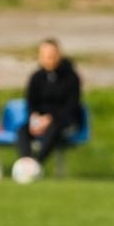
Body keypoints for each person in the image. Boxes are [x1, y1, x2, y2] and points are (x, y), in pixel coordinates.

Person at [18, 38, 83, 170]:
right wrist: (34, 119)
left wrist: (50, 119)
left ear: (58, 54)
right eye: (46, 56)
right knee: (22, 130)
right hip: (40, 120)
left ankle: (36, 165)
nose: (49, 59)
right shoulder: (36, 77)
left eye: (52, 55)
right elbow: (31, 103)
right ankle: (26, 163)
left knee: (54, 128)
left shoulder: (71, 77)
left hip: (63, 121)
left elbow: (71, 106)